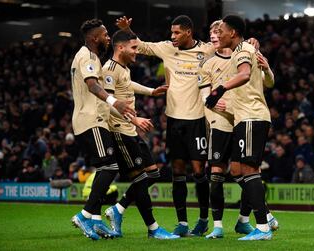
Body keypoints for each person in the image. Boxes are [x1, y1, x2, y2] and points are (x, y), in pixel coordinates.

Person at [116, 15, 213, 237]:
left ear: (188, 32)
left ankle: (204, 219)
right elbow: (142, 46)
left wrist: (251, 42)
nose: (173, 37)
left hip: (198, 118)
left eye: (177, 33)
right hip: (175, 119)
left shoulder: (206, 51)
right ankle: (182, 223)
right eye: (172, 32)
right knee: (177, 171)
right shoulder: (167, 48)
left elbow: (228, 49)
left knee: (199, 171)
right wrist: (128, 29)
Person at [198, 20, 277, 239]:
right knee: (242, 170)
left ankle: (262, 227)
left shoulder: (243, 49)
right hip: (243, 118)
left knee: (250, 170)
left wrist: (219, 90)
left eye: (220, 31)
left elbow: (243, 75)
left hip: (252, 116)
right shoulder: (240, 51)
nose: (217, 35)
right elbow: (267, 82)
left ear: (232, 33)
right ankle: (262, 220)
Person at [102, 30, 179, 239]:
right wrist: (134, 119)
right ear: (120, 47)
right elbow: (107, 103)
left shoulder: (122, 68)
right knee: (140, 179)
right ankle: (153, 229)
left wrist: (151, 91)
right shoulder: (109, 69)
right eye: (134, 48)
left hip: (129, 130)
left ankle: (117, 209)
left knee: (153, 174)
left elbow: (128, 86)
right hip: (119, 131)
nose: (138, 51)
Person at [70, 19, 135, 241]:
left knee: (103, 168)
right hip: (92, 120)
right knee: (110, 167)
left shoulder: (91, 56)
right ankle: (85, 214)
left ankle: (96, 222)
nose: (109, 37)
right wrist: (114, 101)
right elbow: (91, 84)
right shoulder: (87, 56)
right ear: (94, 37)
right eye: (105, 34)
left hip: (91, 120)